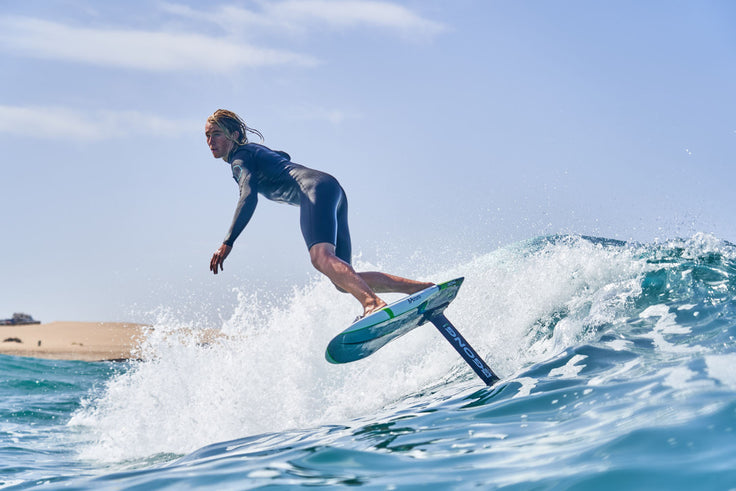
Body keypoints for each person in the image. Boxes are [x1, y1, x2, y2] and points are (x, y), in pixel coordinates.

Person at [206, 109, 433, 318]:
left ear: (234, 135)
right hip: (332, 189)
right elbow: (283, 155)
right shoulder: (254, 152)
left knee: (320, 258)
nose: (210, 141)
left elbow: (248, 196)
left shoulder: (240, 158)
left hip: (314, 190)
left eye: (216, 134)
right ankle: (418, 288)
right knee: (341, 280)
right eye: (207, 136)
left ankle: (372, 303)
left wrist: (228, 242)